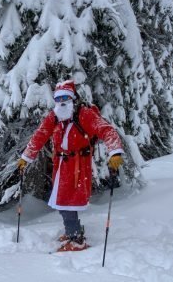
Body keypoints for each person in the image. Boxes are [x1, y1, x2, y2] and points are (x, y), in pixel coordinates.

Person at [17, 80, 124, 252]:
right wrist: (26, 157)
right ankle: (73, 231)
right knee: (62, 202)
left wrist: (115, 151)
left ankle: (76, 240)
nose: (62, 102)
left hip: (78, 166)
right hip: (61, 166)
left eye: (66, 98)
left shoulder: (84, 113)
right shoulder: (55, 116)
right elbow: (40, 135)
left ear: (73, 98)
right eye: (58, 99)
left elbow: (106, 130)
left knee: (68, 202)